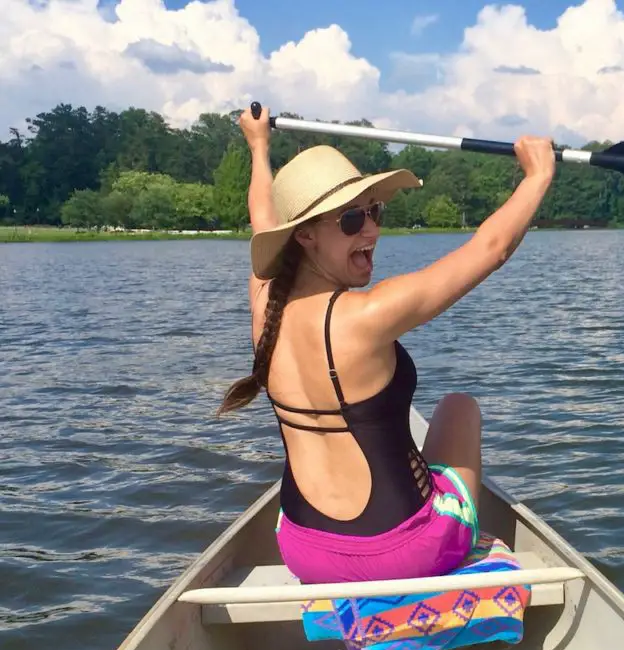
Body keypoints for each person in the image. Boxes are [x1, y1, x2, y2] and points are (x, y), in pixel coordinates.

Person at [217, 105, 555, 585]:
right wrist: (537, 176)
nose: (372, 230)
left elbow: (262, 215)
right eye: (352, 220)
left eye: (374, 212)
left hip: (305, 553)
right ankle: (452, 537)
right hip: (410, 552)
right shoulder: (368, 316)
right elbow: (490, 249)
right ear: (306, 236)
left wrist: (257, 145)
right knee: (459, 407)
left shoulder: (264, 307)